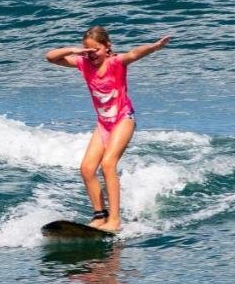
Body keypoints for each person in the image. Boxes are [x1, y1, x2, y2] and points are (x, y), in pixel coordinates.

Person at [46, 26, 171, 232]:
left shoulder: (115, 63)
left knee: (108, 164)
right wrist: (74, 50)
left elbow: (133, 54)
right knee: (86, 168)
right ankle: (99, 216)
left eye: (96, 49)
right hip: (103, 124)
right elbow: (51, 57)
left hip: (123, 119)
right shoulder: (83, 63)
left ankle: (114, 220)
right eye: (88, 50)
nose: (91, 54)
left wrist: (155, 47)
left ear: (107, 47)